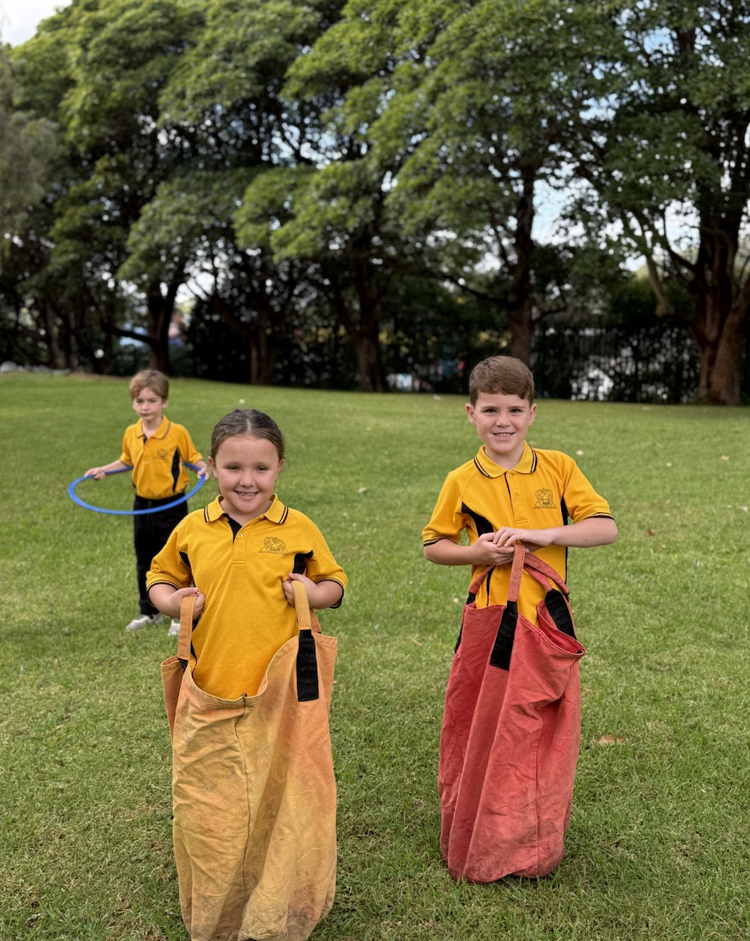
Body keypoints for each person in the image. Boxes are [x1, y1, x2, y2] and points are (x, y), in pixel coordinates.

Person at [146, 408, 347, 941]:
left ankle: (280, 898)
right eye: (234, 467)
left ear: (280, 467)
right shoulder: (193, 527)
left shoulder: (298, 528)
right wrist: (172, 603)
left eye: (261, 468)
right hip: (210, 686)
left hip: (282, 695)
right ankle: (221, 900)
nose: (247, 480)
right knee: (209, 805)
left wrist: (311, 592)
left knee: (284, 796)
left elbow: (336, 585)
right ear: (211, 467)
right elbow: (160, 577)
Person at [422, 355, 617, 880]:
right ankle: (477, 834)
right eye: (490, 409)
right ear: (470, 413)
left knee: (536, 732)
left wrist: (545, 535)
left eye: (513, 409)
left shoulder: (557, 468)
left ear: (532, 413)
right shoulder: (461, 479)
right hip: (488, 621)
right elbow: (434, 546)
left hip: (547, 622)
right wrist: (477, 554)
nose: (502, 420)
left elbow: (605, 528)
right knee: (480, 725)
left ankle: (527, 846)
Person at [84, 369, 208, 634]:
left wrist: (202, 468)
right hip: (142, 505)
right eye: (140, 401)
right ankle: (149, 611)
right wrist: (103, 469)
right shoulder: (132, 432)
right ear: (133, 403)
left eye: (152, 401)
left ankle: (178, 614)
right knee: (145, 557)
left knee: (175, 559)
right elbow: (127, 460)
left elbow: (193, 457)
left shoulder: (177, 432)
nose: (145, 407)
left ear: (164, 402)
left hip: (172, 505)